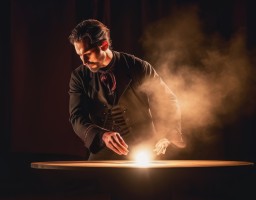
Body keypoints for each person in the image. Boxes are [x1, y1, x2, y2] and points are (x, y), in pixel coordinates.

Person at [68, 19, 185, 160]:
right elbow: (77, 117)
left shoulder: (138, 67)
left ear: (104, 45)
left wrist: (168, 134)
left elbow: (168, 100)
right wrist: (102, 136)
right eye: (80, 55)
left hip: (145, 149)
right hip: (103, 148)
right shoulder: (78, 76)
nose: (84, 61)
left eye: (87, 53)